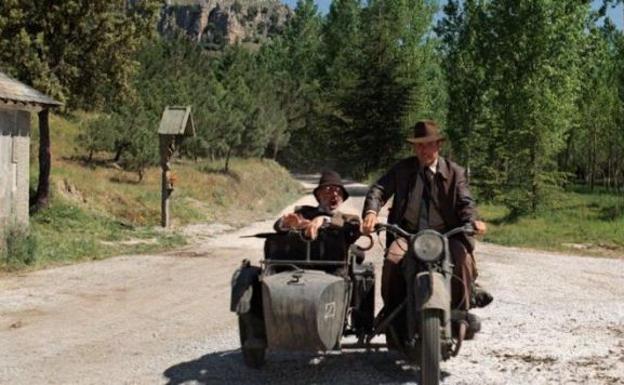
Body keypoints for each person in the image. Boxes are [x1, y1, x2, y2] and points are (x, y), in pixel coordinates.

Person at [361, 120, 492, 335]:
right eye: (419, 145)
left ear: (438, 145)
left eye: (429, 144)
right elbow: (379, 189)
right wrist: (371, 212)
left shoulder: (455, 172)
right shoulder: (403, 169)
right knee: (393, 260)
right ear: (414, 148)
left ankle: (461, 312)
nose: (424, 150)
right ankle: (393, 312)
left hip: (445, 235)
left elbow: (465, 202)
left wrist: (472, 221)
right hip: (408, 233)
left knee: (463, 259)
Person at [275, 170, 361, 245]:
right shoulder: (303, 212)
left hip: (335, 260)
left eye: (339, 192)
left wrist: (325, 220)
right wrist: (286, 223)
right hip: (301, 259)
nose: (335, 194)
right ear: (319, 194)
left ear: (342, 198)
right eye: (329, 189)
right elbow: (278, 226)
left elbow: (353, 228)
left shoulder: (350, 219)